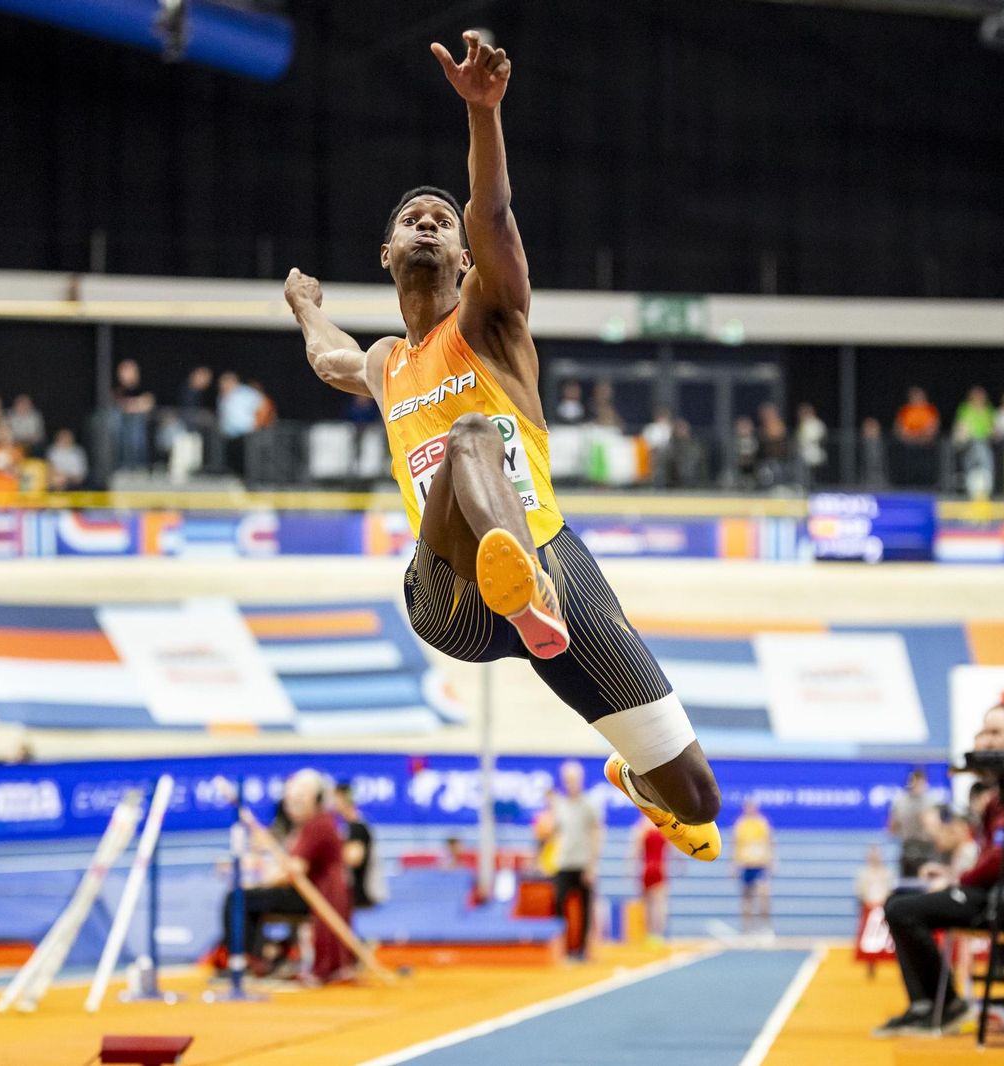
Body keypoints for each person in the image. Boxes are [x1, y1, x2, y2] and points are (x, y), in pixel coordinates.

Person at [282, 32, 721, 862]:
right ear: (387, 254)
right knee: (470, 436)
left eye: (441, 222)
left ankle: (629, 770)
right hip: (450, 592)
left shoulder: (491, 317)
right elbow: (328, 357)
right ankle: (525, 596)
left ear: (462, 257)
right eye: (411, 220)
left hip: (553, 562)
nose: (428, 225)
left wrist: (483, 113)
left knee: (699, 796)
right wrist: (306, 306)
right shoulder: (387, 363)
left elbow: (493, 214)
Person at [873, 704, 1004, 1037]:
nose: (985, 741)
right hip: (988, 893)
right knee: (896, 900)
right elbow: (989, 857)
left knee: (902, 910)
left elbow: (1002, 861)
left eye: (995, 732)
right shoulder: (997, 798)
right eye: (983, 732)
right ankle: (924, 1006)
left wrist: (955, 881)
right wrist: (952, 877)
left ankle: (947, 1006)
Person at [231, 770, 355, 983]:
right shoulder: (306, 825)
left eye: (298, 801)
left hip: (320, 894)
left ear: (315, 799)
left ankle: (249, 960)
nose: (292, 807)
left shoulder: (318, 825)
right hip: (314, 891)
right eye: (290, 801)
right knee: (248, 897)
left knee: (241, 898)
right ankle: (258, 957)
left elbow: (294, 869)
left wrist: (261, 883)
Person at [550, 761, 602, 960]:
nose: (570, 783)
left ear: (580, 780)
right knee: (558, 904)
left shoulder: (589, 804)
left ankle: (581, 950)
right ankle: (563, 947)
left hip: (582, 863)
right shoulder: (560, 805)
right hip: (564, 862)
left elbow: (596, 834)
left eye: (573, 779)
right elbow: (556, 833)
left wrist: (592, 865)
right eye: (567, 780)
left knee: (584, 909)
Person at [332, 782, 384, 909]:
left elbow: (354, 859)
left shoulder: (357, 827)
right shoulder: (350, 826)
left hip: (361, 896)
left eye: (335, 799)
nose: (332, 803)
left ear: (343, 799)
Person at [733, 797, 775, 934]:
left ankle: (765, 927)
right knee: (747, 899)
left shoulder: (762, 823)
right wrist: (733, 865)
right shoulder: (740, 825)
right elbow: (735, 845)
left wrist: (771, 861)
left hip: (760, 864)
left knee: (764, 896)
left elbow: (769, 843)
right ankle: (747, 929)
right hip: (746, 865)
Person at [887, 767, 936, 877]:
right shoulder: (900, 802)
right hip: (907, 848)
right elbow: (891, 829)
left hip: (927, 848)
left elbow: (934, 829)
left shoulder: (930, 802)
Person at [630, 819, 669, 941]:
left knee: (647, 905)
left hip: (646, 869)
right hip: (659, 868)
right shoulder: (663, 827)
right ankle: (658, 934)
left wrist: (631, 871)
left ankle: (648, 934)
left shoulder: (642, 827)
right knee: (659, 905)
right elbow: (671, 850)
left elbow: (635, 852)